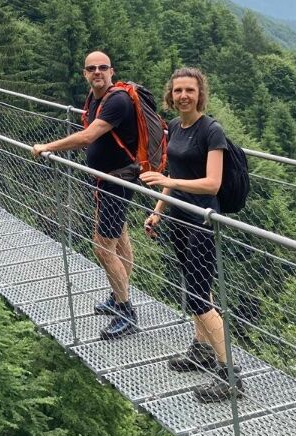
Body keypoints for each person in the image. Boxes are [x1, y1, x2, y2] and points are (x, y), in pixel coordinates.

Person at [140, 67, 242, 402]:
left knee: (197, 297)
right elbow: (173, 171)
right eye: (179, 90)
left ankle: (230, 377)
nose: (184, 95)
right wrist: (158, 211)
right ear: (171, 94)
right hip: (179, 219)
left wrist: (167, 184)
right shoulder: (174, 128)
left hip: (201, 219)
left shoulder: (211, 131)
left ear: (200, 94)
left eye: (191, 90)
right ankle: (201, 351)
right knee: (198, 289)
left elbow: (212, 182)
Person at [32, 51, 139, 340]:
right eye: (91, 69)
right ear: (85, 73)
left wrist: (48, 146)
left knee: (103, 247)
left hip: (117, 180)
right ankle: (118, 297)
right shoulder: (95, 99)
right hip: (106, 180)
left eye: (103, 68)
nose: (97, 72)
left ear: (112, 71)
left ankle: (126, 312)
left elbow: (88, 136)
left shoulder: (117, 100)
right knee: (120, 239)